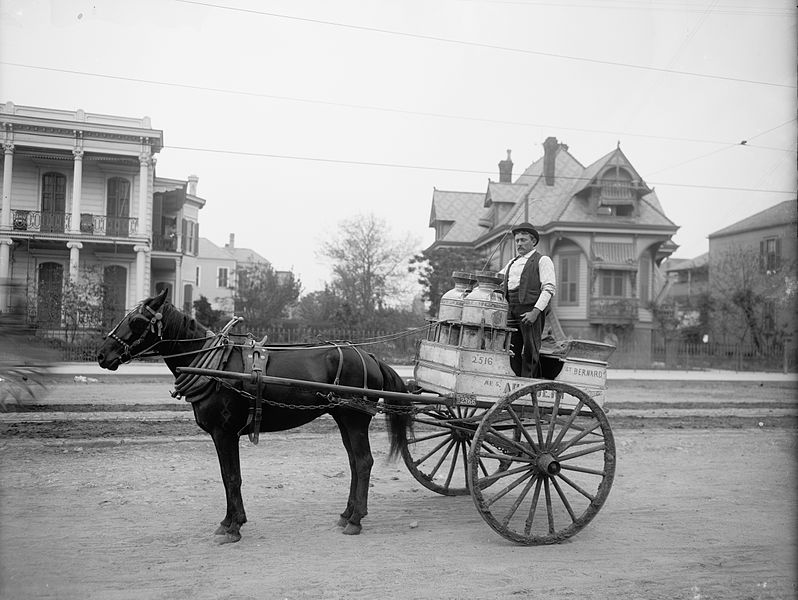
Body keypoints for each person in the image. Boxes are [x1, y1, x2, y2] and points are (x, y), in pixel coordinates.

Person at [501, 223, 556, 378]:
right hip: (511, 312)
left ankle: (530, 384)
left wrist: (535, 312)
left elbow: (549, 289)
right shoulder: (512, 263)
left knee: (530, 350)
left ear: (533, 242)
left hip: (530, 311)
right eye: (517, 240)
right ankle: (515, 384)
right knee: (511, 349)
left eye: (523, 240)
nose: (519, 243)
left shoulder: (543, 260)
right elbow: (496, 280)